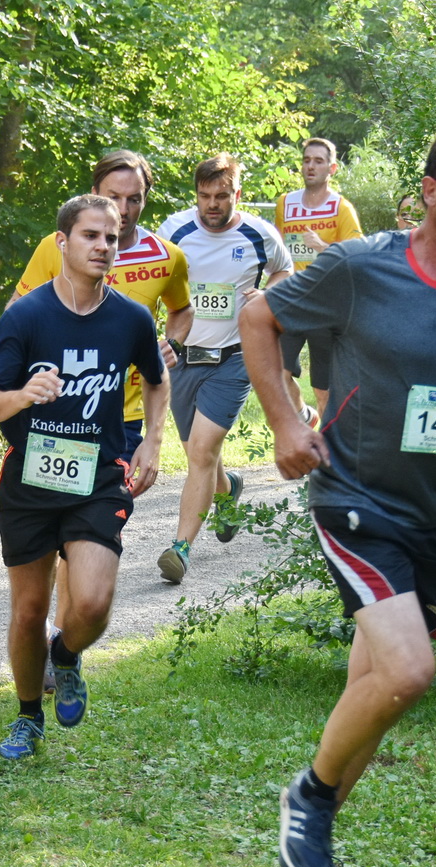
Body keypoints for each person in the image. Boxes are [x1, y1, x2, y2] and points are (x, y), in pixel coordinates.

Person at [239, 120, 436, 867]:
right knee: (409, 670)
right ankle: (308, 797)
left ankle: (310, 833)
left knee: (375, 676)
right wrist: (283, 424)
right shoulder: (359, 267)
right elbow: (257, 318)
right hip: (354, 495)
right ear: (430, 192)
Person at [0, 194, 166, 759]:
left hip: (100, 474)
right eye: (91, 236)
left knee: (94, 603)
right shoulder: (27, 315)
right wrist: (20, 395)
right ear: (63, 242)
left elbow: (155, 378)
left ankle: (69, 653)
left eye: (112, 237)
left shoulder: (130, 317)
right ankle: (28, 719)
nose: (104, 246)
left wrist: (152, 440)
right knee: (29, 611)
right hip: (30, 477)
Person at [7, 151, 192, 686]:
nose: (126, 209)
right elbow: (16, 317)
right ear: (94, 195)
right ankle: (53, 639)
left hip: (124, 420)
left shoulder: (167, 256)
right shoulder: (57, 246)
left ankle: (67, 641)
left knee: (85, 538)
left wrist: (169, 344)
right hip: (55, 418)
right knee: (56, 533)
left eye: (135, 199)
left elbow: (180, 309)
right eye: (115, 197)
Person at [155, 154, 296, 583]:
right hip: (180, 359)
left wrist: (267, 296)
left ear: (237, 193)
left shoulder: (258, 234)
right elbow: (149, 279)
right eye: (204, 196)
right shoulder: (174, 232)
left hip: (234, 359)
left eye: (221, 196)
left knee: (200, 451)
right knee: (197, 451)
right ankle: (227, 490)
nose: (212, 205)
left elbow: (285, 270)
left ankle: (180, 549)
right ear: (195, 195)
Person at [273, 138, 363, 418]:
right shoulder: (286, 204)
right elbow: (277, 251)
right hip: (294, 301)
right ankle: (303, 415)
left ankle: (328, 454)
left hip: (327, 307)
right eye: (307, 160)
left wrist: (322, 247)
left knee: (324, 390)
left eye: (319, 161)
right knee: (277, 373)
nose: (310, 166)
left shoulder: (341, 208)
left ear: (332, 168)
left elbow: (357, 256)